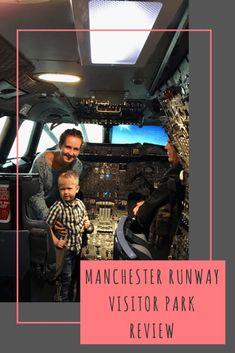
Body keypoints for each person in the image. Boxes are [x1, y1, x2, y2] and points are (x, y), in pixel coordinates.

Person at [130, 139, 186, 260]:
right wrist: (145, 203)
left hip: (161, 243)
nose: (166, 147)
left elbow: (146, 211)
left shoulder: (174, 177)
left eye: (170, 142)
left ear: (180, 149)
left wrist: (139, 211)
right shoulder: (178, 175)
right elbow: (157, 198)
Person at [46, 170, 90, 302]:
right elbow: (47, 225)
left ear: (77, 189)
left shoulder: (80, 204)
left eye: (69, 188)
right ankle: (64, 300)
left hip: (77, 249)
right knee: (67, 277)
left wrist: (86, 223)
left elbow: (85, 217)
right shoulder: (58, 207)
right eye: (62, 189)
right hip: (66, 250)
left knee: (73, 276)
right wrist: (55, 241)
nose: (65, 192)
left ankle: (71, 295)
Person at [28, 128, 83, 222]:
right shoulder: (41, 162)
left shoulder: (77, 166)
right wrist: (50, 221)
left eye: (76, 149)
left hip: (57, 210)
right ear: (60, 145)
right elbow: (36, 196)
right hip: (35, 210)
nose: (71, 153)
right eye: (68, 147)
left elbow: (69, 195)